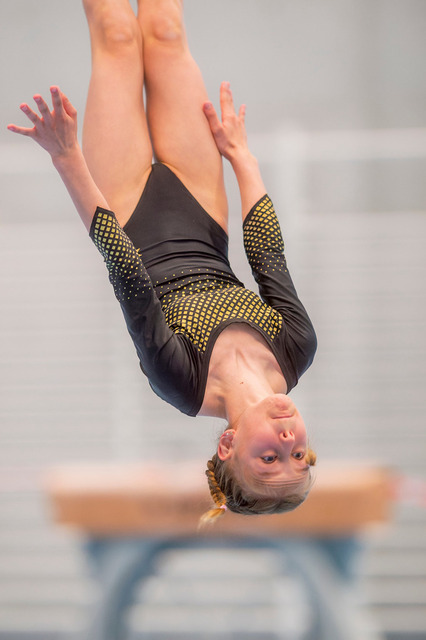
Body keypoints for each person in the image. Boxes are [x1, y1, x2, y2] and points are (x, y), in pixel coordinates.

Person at [7, 0, 317, 525]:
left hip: (126, 212)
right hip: (203, 210)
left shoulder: (182, 384)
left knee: (117, 36)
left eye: (269, 458)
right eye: (300, 455)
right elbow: (268, 254)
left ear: (227, 445)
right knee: (167, 32)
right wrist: (241, 156)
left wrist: (68, 159)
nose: (288, 441)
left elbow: (129, 276)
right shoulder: (296, 350)